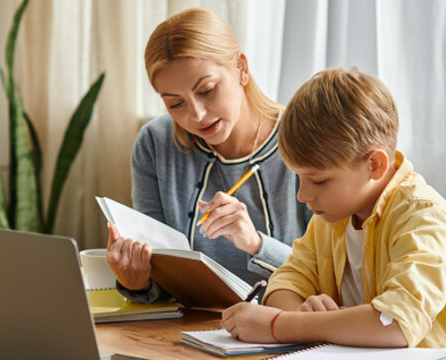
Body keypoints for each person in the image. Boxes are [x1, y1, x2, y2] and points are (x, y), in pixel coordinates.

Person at [219, 68, 446, 351]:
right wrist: (300, 313)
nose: (302, 194)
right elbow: (286, 281)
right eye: (299, 177)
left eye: (318, 180)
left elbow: (395, 323)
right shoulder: (330, 220)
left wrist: (281, 325)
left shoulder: (427, 220)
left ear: (375, 165)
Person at [105, 8, 312, 304]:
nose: (197, 115)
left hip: (283, 331)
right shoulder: (154, 144)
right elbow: (160, 277)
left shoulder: (304, 137)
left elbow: (329, 278)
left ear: (241, 68)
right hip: (186, 332)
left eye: (207, 90)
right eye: (176, 104)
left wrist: (255, 244)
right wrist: (136, 281)